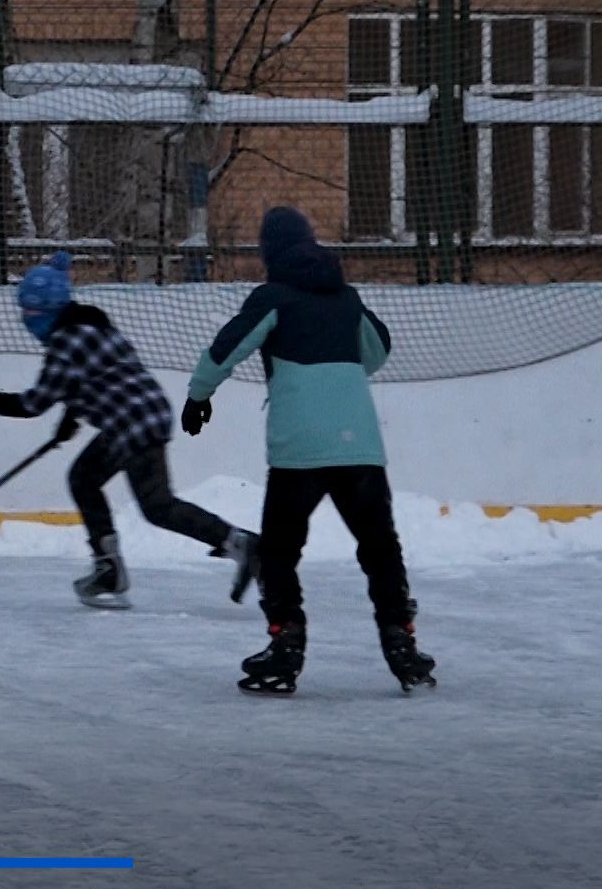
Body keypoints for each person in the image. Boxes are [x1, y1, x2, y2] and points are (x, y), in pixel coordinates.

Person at [183, 207, 436, 694]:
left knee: (279, 553)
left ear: (269, 252)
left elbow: (225, 349)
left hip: (300, 449)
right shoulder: (346, 297)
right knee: (380, 548)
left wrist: (198, 398)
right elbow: (377, 351)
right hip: (360, 444)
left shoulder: (272, 297)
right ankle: (402, 642)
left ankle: (285, 645)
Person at [0, 251, 258, 610]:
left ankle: (240, 543)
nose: (25, 320)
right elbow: (91, 379)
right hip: (135, 417)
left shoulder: (65, 341)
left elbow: (37, 402)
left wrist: (1, 402)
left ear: (45, 309)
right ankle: (108, 568)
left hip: (133, 424)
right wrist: (72, 416)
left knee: (157, 506)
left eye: (30, 313)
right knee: (83, 477)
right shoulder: (89, 326)